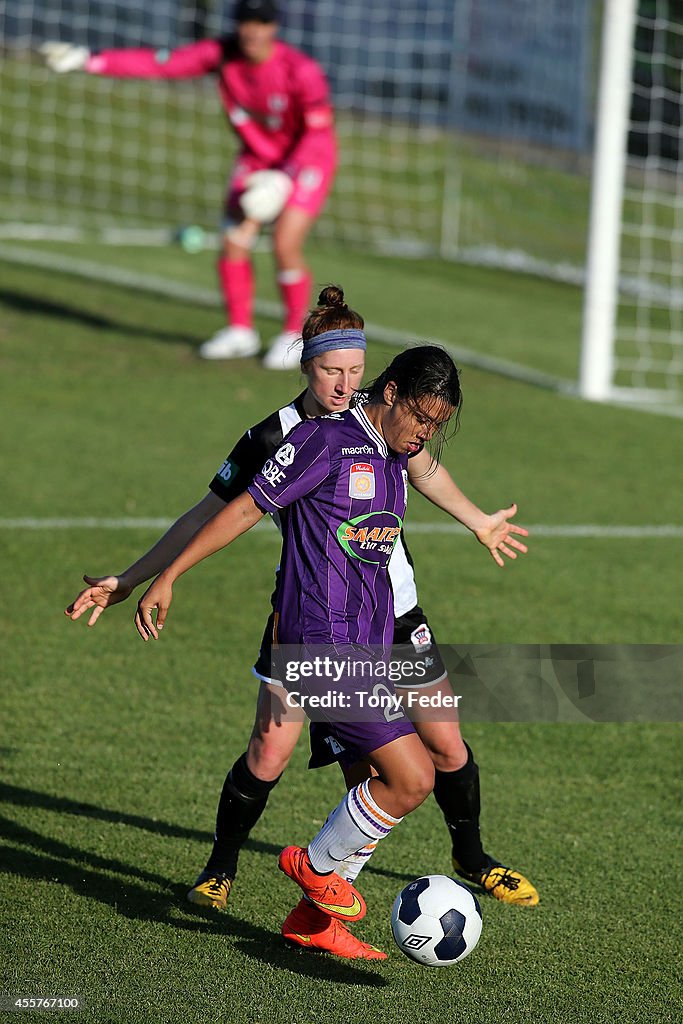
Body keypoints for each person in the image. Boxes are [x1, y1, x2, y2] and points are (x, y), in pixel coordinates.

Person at [66, 289, 536, 960]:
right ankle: (259, 871)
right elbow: (224, 512)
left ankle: (326, 915)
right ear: (308, 369)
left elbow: (425, 465)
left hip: (380, 631)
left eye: (355, 371)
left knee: (414, 765)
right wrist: (150, 576)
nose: (345, 384)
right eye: (331, 372)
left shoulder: (389, 443)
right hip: (317, 637)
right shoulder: (302, 439)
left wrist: (479, 518)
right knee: (328, 762)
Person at [41, 0, 337, 370]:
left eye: (261, 22)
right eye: (246, 21)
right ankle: (240, 331)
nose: (252, 31)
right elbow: (161, 64)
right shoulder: (222, 54)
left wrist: (285, 176)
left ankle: (293, 334)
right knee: (233, 239)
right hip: (256, 158)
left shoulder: (300, 70)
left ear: (274, 27)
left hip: (307, 161)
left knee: (284, 242)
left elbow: (317, 132)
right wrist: (90, 59)